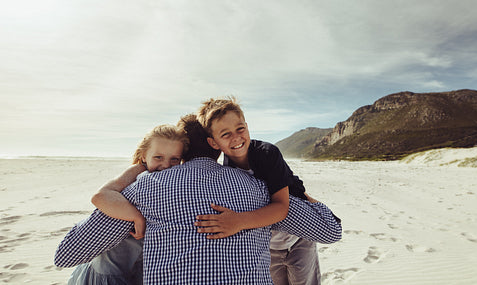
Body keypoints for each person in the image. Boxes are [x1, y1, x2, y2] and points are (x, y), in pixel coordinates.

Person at [55, 114, 342, 284]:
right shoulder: (258, 189)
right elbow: (330, 230)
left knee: (95, 263)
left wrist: (135, 212)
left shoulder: (146, 188)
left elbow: (66, 254)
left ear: (182, 149)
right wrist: (302, 195)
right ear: (215, 145)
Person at [196, 96, 322, 285]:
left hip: (299, 240)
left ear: (247, 126)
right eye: (225, 134)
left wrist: (237, 222)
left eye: (240, 129)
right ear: (214, 143)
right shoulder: (225, 170)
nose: (236, 137)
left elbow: (281, 208)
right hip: (269, 247)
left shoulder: (267, 153)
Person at [66, 124, 188, 285]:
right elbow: (99, 197)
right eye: (158, 157)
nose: (165, 165)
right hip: (110, 268)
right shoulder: (138, 171)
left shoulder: (177, 179)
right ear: (144, 156)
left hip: (137, 266)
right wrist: (137, 218)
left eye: (174, 159)